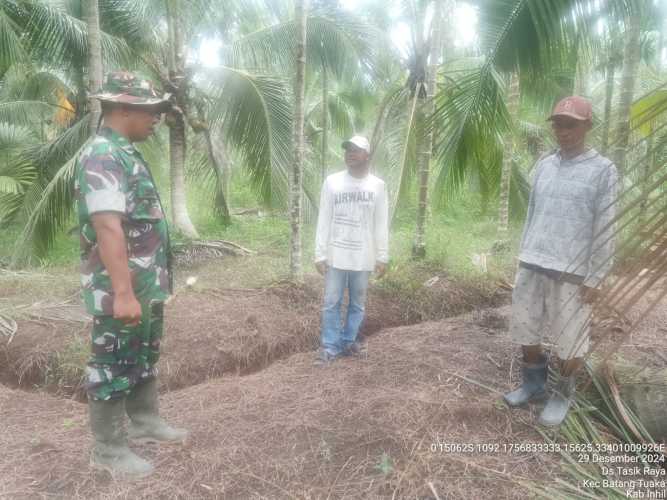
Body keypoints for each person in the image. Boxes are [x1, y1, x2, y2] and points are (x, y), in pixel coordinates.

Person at [75, 71, 187, 478]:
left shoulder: (124, 152)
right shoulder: (103, 154)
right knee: (111, 362)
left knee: (142, 355)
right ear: (123, 108)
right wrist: (122, 293)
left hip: (142, 285)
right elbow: (108, 226)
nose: (156, 118)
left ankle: (145, 420)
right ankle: (108, 449)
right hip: (118, 288)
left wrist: (141, 289)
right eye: (150, 110)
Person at [503, 96, 619, 426]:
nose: (563, 130)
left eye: (571, 124)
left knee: (571, 341)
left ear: (587, 126)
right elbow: (532, 215)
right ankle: (533, 386)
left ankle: (563, 393)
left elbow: (606, 226)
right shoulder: (544, 165)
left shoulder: (603, 171)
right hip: (533, 262)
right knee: (526, 329)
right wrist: (522, 256)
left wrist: (597, 276)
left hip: (572, 271)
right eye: (558, 123)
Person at [314, 135, 389, 365]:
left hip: (363, 256)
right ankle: (330, 347)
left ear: (367, 155)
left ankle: (348, 341)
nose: (350, 153)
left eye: (356, 150)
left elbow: (381, 223)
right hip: (337, 255)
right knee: (331, 301)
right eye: (347, 150)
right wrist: (319, 253)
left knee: (357, 302)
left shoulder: (378, 186)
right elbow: (324, 218)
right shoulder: (332, 182)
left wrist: (383, 256)